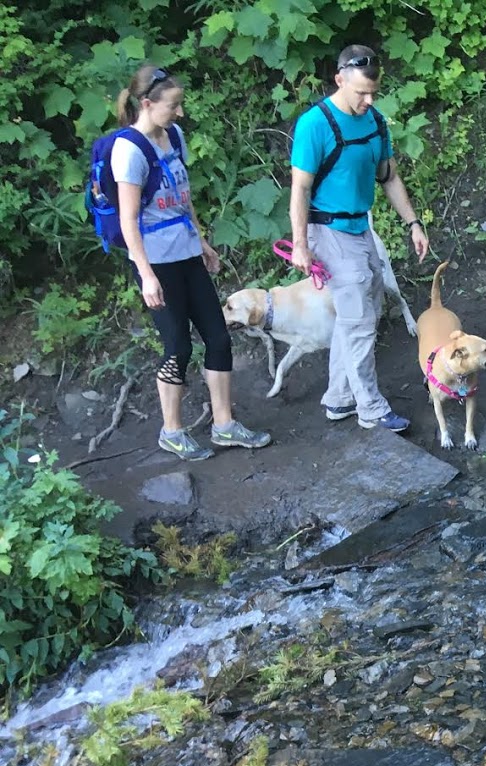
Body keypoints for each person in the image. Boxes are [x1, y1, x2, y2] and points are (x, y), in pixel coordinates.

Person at [114, 65, 271, 461]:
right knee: (177, 347)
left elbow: (183, 197)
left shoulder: (175, 137)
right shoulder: (129, 150)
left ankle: (224, 425)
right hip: (158, 263)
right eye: (173, 106)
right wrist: (146, 274)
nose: (180, 113)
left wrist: (201, 242)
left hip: (187, 254)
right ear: (147, 104)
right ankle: (172, 430)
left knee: (217, 336)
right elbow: (128, 219)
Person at [289, 45, 429, 433]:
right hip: (327, 230)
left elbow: (390, 177)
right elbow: (299, 189)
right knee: (361, 321)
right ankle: (370, 408)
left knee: (360, 314)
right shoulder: (314, 125)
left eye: (373, 93)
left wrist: (413, 223)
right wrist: (300, 243)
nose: (368, 101)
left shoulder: (375, 121)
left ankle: (339, 399)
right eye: (361, 93)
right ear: (339, 80)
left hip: (360, 229)